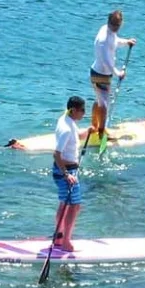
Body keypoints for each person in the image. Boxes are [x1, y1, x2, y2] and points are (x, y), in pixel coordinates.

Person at [89, 10, 137, 137]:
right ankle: (101, 132)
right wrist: (118, 73)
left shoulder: (109, 32)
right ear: (109, 22)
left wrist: (126, 42)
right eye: (114, 25)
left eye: (118, 25)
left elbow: (115, 42)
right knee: (104, 104)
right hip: (99, 74)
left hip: (102, 73)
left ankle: (94, 125)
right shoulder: (103, 38)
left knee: (99, 100)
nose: (116, 28)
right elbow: (105, 60)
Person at [51, 95, 90, 251]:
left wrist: (88, 132)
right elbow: (56, 154)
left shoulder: (66, 119)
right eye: (82, 110)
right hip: (66, 172)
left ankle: (59, 237)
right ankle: (66, 242)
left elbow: (76, 137)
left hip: (66, 170)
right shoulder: (66, 129)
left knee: (65, 203)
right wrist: (67, 175)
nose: (84, 113)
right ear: (73, 110)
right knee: (74, 206)